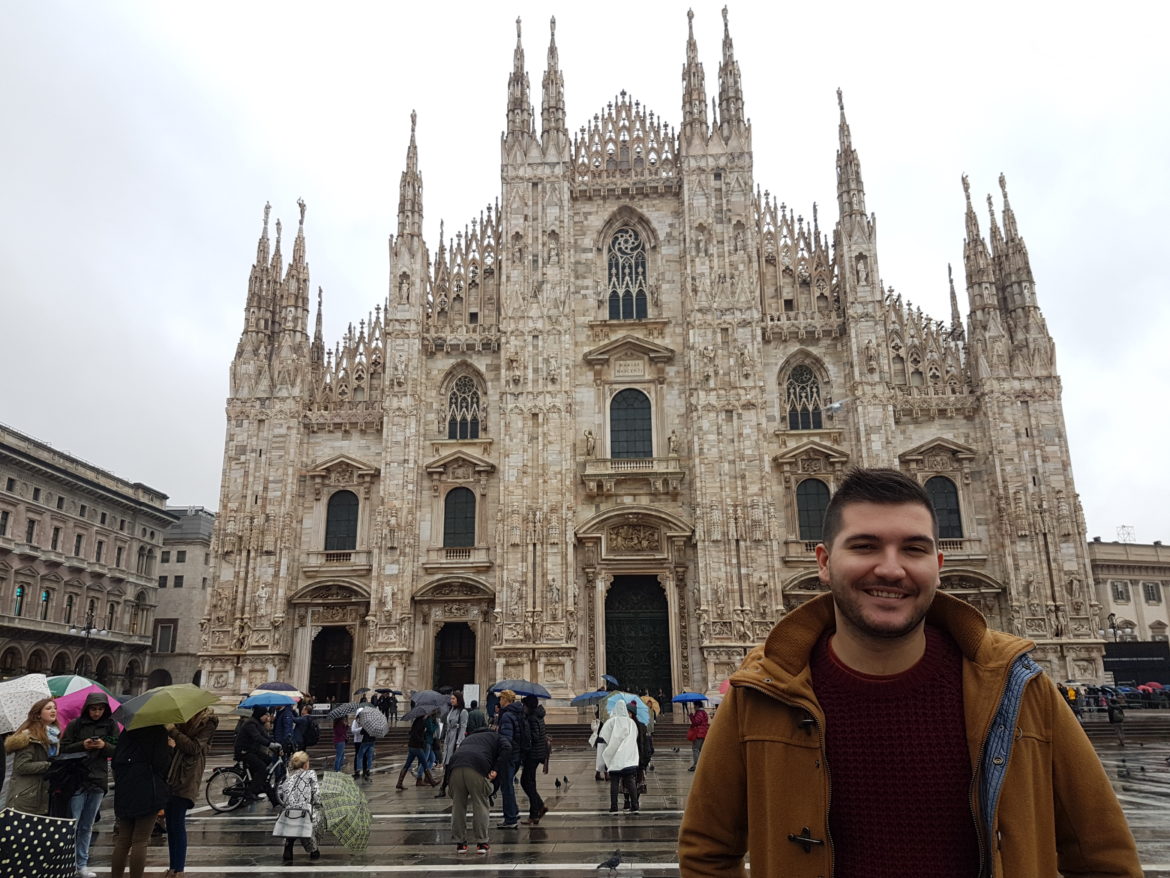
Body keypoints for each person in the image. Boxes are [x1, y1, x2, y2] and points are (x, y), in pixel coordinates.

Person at [678, 467, 1142, 877]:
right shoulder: (760, 694)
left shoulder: (1019, 690)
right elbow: (706, 853)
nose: (891, 568)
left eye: (913, 548)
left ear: (938, 565)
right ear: (823, 562)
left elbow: (1104, 858)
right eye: (864, 545)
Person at [61, 691, 119, 878]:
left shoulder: (110, 726)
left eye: (100, 709)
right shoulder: (75, 725)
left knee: (87, 824)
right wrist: (82, 745)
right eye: (93, 709)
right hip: (77, 777)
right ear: (87, 709)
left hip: (98, 778)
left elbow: (118, 750)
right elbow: (64, 747)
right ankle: (67, 862)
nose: (96, 713)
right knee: (73, 823)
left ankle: (82, 864)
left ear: (105, 709)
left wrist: (104, 747)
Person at [111, 724, 174, 878]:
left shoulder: (127, 730)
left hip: (125, 789)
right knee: (140, 840)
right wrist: (170, 748)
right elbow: (161, 764)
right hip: (148, 790)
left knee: (123, 840)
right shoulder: (158, 731)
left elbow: (115, 761)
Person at [163, 707, 217, 878]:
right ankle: (173, 867)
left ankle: (179, 869)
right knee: (171, 824)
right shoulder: (181, 719)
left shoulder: (209, 722)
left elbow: (194, 747)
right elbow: (178, 744)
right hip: (172, 772)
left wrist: (172, 730)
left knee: (177, 823)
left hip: (187, 775)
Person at [447, 723, 511, 855]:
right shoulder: (496, 737)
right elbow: (507, 747)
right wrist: (495, 769)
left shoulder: (469, 738)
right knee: (480, 803)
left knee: (458, 805)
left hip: (455, 767)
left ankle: (460, 844)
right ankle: (482, 843)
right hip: (477, 766)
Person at [5, 697, 60, 816]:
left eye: (55, 708)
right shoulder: (29, 737)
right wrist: (49, 765)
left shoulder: (54, 735)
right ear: (38, 714)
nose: (53, 711)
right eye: (48, 708)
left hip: (43, 793)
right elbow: (21, 766)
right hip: (27, 795)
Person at [274, 750, 320, 863]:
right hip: (305, 810)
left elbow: (284, 797)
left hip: (289, 811)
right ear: (305, 764)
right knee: (311, 819)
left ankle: (289, 845)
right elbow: (316, 793)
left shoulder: (287, 778)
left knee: (294, 820)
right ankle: (313, 850)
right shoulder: (310, 774)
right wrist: (317, 804)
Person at [599, 700, 642, 813]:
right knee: (630, 781)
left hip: (615, 757)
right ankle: (635, 805)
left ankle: (614, 806)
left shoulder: (612, 722)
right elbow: (635, 737)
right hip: (628, 757)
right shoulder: (631, 723)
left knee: (614, 781)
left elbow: (604, 737)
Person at [494, 690, 527, 829]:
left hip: (509, 754)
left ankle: (510, 818)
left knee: (506, 786)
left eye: (501, 698)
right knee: (508, 784)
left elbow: (507, 739)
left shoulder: (507, 715)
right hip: (517, 753)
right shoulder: (519, 713)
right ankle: (513, 811)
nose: (499, 701)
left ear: (505, 700)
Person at [234, 707, 280, 805]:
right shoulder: (250, 724)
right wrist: (270, 745)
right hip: (244, 751)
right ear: (260, 715)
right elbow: (257, 737)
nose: (267, 717)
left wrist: (275, 744)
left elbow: (265, 736)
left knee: (267, 761)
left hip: (252, 750)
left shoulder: (257, 724)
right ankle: (250, 791)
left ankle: (270, 796)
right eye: (265, 715)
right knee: (262, 768)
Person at [519, 694, 549, 825]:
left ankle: (538, 808)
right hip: (537, 753)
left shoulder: (531, 718)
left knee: (526, 782)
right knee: (530, 782)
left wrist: (525, 736)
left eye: (524, 705)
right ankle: (535, 812)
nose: (523, 707)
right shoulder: (538, 715)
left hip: (533, 754)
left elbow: (535, 736)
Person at [436, 692, 469, 798]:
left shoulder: (463, 712)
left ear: (458, 699)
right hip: (449, 739)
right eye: (451, 699)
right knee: (448, 765)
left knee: (451, 765)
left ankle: (444, 788)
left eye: (453, 699)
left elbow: (463, 727)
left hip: (455, 741)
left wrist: (459, 742)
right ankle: (451, 788)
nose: (451, 700)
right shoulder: (451, 710)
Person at [395, 711, 437, 789]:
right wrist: (422, 741)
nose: (428, 714)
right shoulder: (420, 722)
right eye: (427, 713)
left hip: (412, 746)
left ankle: (399, 783)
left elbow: (412, 732)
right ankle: (432, 782)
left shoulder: (418, 721)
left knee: (407, 765)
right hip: (417, 747)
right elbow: (415, 734)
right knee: (424, 763)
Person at [351, 709, 373, 781]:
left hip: (364, 741)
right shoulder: (355, 721)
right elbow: (353, 730)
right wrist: (361, 729)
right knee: (357, 756)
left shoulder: (366, 722)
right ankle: (357, 771)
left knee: (365, 757)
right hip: (357, 741)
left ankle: (365, 770)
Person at [685, 705, 708, 771]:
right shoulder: (704, 712)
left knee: (695, 749)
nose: (694, 708)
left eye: (695, 706)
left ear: (697, 706)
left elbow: (696, 723)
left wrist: (691, 716)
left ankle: (696, 765)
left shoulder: (699, 713)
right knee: (701, 750)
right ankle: (702, 765)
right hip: (703, 733)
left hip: (698, 733)